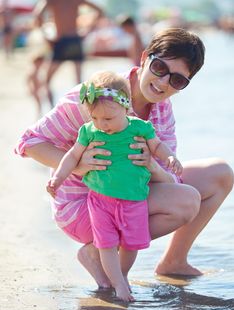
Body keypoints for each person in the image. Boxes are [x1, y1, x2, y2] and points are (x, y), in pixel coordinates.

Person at [15, 28, 234, 290]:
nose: (163, 82)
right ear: (144, 58)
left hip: (128, 190)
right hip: (84, 205)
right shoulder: (99, 95)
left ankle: (174, 261)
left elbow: (170, 178)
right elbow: (29, 142)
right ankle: (98, 251)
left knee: (220, 173)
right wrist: (80, 166)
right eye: (159, 68)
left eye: (177, 80)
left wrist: (152, 165)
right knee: (186, 201)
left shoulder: (162, 110)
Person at [46, 70, 182, 301]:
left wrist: (169, 158)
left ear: (126, 106)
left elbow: (158, 146)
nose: (101, 124)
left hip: (134, 198)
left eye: (107, 119)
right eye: (95, 118)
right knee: (106, 244)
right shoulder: (89, 132)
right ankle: (118, 284)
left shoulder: (140, 128)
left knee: (131, 244)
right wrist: (58, 178)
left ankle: (122, 276)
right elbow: (71, 156)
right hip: (100, 201)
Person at [33, 0, 103, 107]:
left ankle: (52, 109)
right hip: (75, 40)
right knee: (79, 82)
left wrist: (46, 36)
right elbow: (100, 10)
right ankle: (83, 110)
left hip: (62, 40)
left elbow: (37, 14)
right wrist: (88, 30)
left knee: (46, 80)